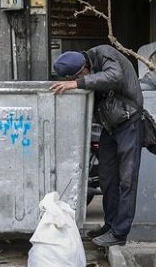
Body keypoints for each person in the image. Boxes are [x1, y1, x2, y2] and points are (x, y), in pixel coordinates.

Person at [50, 46, 144, 247]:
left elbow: (115, 76)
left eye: (81, 76)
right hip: (110, 126)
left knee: (127, 180)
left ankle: (119, 233)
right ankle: (110, 226)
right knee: (107, 177)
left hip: (129, 123)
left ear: (84, 68)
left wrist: (77, 83)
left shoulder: (104, 53)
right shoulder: (87, 67)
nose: (82, 80)